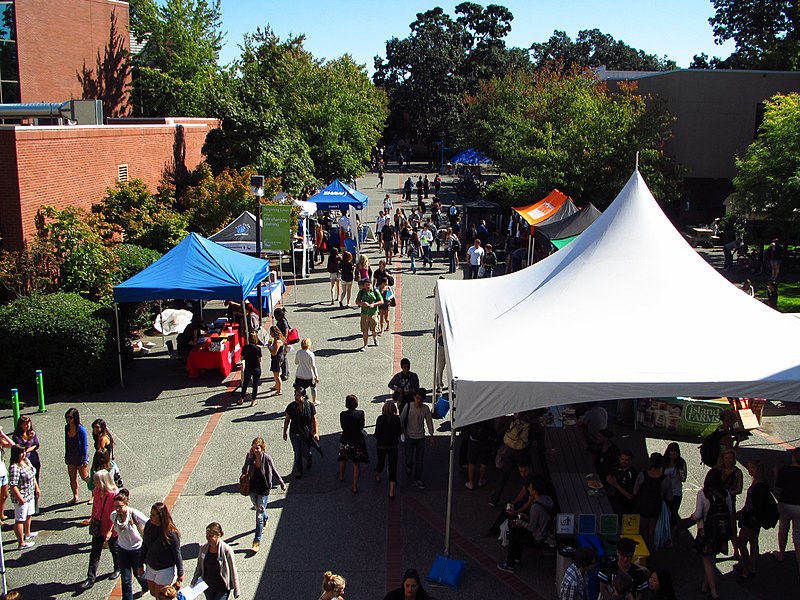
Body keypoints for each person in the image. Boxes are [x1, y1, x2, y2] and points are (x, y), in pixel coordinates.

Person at [692, 469, 734, 600]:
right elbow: (730, 511)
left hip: (706, 531)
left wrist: (693, 517)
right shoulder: (725, 493)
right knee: (712, 558)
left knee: (707, 561)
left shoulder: (702, 494)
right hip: (719, 530)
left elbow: (698, 514)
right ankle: (706, 585)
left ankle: (713, 591)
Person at [497, 477, 554, 573]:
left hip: (538, 537)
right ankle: (516, 560)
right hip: (545, 532)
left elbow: (532, 527)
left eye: (531, 488)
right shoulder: (547, 500)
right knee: (517, 533)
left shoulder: (536, 506)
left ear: (535, 491)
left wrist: (520, 522)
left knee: (514, 536)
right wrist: (526, 517)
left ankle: (510, 564)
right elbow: (540, 518)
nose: (529, 489)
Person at [242, 437, 284, 553]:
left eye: (258, 448)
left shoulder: (267, 458)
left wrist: (281, 482)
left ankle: (256, 541)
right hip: (252, 488)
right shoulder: (250, 458)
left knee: (258, 515)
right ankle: (266, 518)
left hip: (264, 489)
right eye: (254, 447)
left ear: (262, 448)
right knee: (257, 507)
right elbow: (244, 471)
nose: (256, 450)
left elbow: (274, 471)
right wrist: (249, 460)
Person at [81, 470, 120, 589]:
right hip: (98, 525)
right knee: (95, 552)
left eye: (96, 481)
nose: (94, 483)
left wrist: (109, 531)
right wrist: (92, 519)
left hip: (110, 527)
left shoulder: (114, 494)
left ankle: (118, 568)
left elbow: (116, 514)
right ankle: (90, 578)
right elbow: (95, 507)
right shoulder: (97, 491)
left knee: (114, 550)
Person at [736, 459, 772, 582]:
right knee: (753, 542)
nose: (748, 469)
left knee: (741, 542)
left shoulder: (760, 486)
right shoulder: (759, 483)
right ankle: (752, 567)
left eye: (750, 467)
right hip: (755, 519)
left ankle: (745, 570)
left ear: (756, 469)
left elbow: (755, 506)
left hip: (751, 519)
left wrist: (743, 513)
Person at [110, 489, 149, 600]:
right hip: (122, 549)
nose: (117, 509)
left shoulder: (133, 513)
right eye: (115, 506)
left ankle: (146, 585)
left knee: (139, 574)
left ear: (126, 504)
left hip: (137, 549)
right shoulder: (113, 516)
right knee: (126, 580)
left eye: (120, 506)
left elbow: (149, 522)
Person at [139, 502, 183, 598]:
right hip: (151, 565)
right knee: (153, 592)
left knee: (161, 596)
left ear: (161, 517)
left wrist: (180, 573)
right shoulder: (149, 525)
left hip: (165, 569)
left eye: (153, 515)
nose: (150, 517)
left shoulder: (171, 533)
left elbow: (177, 553)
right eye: (150, 514)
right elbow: (144, 545)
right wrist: (140, 564)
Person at [490, 413, 532, 507]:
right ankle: (527, 495)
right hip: (521, 452)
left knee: (503, 475)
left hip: (509, 450)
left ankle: (494, 498)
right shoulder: (532, 425)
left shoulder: (517, 420)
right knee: (525, 474)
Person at [633, 453, 672, 553]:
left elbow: (635, 492)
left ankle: (645, 550)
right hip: (655, 506)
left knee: (643, 529)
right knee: (652, 530)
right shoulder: (665, 479)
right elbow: (670, 497)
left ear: (650, 462)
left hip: (643, 506)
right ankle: (652, 549)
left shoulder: (642, 475)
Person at [192, 522, 240, 600]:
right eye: (207, 536)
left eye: (210, 536)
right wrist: (194, 580)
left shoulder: (227, 550)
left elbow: (233, 570)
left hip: (222, 588)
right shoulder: (203, 548)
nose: (208, 538)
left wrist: (236, 589)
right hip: (207, 586)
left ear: (218, 535)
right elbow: (199, 566)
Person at [400, 387, 434, 489]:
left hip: (420, 437)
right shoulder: (408, 406)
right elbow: (401, 419)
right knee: (409, 458)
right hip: (409, 436)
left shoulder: (425, 409)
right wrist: (403, 431)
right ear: (414, 397)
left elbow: (429, 421)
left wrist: (431, 435)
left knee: (420, 460)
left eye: (420, 399)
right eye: (417, 398)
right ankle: (408, 466)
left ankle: (417, 478)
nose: (418, 401)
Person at [773, 447, 800, 575]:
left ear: (794, 457)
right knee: (798, 536)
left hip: (785, 503)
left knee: (783, 528)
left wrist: (775, 473)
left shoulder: (784, 470)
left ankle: (781, 553)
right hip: (799, 505)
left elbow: (777, 488)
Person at [283, 387, 319, 479]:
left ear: (304, 396)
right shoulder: (291, 407)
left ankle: (309, 458)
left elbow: (314, 420)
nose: (296, 397)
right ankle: (299, 470)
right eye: (295, 395)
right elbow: (287, 419)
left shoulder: (310, 406)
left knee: (305, 451)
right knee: (297, 452)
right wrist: (285, 431)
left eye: (298, 395)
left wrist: (315, 432)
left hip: (306, 433)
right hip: (294, 433)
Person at [8, 444, 38, 550]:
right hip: (21, 498)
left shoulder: (26, 461)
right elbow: (13, 485)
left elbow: (32, 474)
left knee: (29, 514)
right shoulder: (14, 467)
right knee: (20, 519)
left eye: (24, 452)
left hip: (29, 494)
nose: (23, 454)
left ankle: (28, 533)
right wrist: (21, 499)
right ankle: (21, 543)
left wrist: (36, 488)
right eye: (21, 453)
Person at [338, 394, 369, 494]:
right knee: (356, 464)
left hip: (346, 439)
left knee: (343, 459)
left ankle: (341, 475)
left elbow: (343, 427)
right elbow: (361, 426)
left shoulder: (343, 414)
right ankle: (354, 486)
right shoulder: (360, 413)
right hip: (357, 441)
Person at [374, 400, 402, 500]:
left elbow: (377, 434)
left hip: (382, 445)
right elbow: (399, 432)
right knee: (392, 466)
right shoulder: (396, 419)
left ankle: (378, 474)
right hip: (393, 445)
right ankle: (391, 490)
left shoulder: (380, 419)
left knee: (381, 461)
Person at [663, 442, 687, 542]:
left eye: (675, 455)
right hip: (665, 491)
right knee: (663, 512)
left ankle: (671, 537)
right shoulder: (663, 462)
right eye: (671, 454)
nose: (673, 457)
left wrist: (680, 472)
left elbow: (683, 478)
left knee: (673, 514)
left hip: (676, 491)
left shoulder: (681, 463)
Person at [64, 407, 89, 505]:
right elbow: (66, 442)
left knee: (85, 477)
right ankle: (75, 496)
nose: (68, 420)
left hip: (80, 457)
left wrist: (85, 459)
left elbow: (85, 445)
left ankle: (93, 494)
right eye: (67, 418)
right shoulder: (67, 428)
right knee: (72, 478)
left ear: (75, 418)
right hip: (71, 456)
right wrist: (66, 456)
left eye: (70, 418)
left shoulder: (81, 429)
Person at [606, 450, 637, 518]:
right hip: (615, 500)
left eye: (626, 460)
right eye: (622, 459)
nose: (623, 462)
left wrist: (616, 485)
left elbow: (630, 496)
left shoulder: (632, 475)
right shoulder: (619, 469)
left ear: (631, 461)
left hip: (624, 507)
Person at [464, 420, 493, 490]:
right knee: (484, 461)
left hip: (473, 439)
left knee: (471, 461)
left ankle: (471, 482)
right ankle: (481, 480)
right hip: (485, 439)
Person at [355, 278, 382, 350]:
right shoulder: (361, 292)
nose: (367, 286)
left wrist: (374, 304)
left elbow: (381, 301)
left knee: (374, 330)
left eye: (369, 285)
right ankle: (365, 345)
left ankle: (375, 338)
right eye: (366, 285)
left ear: (371, 285)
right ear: (363, 285)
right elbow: (357, 302)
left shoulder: (375, 291)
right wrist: (362, 303)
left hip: (373, 313)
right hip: (364, 313)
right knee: (365, 330)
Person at [294, 338, 320, 405]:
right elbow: (313, 366)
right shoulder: (311, 354)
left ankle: (299, 401)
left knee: (299, 390)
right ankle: (314, 400)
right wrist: (316, 376)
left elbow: (296, 362)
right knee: (313, 388)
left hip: (299, 375)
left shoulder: (298, 352)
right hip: (309, 376)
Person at [239, 332, 262, 407]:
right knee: (255, 384)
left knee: (245, 383)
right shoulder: (258, 348)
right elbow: (260, 360)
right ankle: (253, 401)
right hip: (256, 367)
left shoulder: (245, 348)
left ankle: (241, 398)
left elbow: (241, 358)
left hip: (248, 367)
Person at [272, 307, 291, 381]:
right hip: (280, 341)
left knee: (284, 358)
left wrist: (284, 341)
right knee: (282, 357)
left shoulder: (283, 321)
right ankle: (284, 372)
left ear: (278, 315)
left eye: (275, 315)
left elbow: (286, 332)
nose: (275, 317)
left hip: (283, 342)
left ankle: (285, 373)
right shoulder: (279, 321)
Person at [267, 325, 286, 397]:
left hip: (277, 359)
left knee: (277, 375)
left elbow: (274, 352)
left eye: (271, 332)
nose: (270, 334)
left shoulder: (278, 341)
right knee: (275, 374)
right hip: (279, 358)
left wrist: (269, 346)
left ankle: (279, 390)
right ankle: (276, 385)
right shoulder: (279, 339)